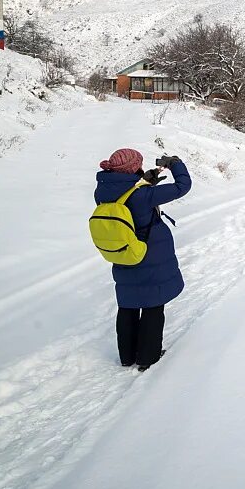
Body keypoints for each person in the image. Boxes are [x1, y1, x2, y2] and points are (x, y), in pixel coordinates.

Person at [95, 148, 191, 371]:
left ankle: (127, 357)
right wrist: (175, 164)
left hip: (123, 253)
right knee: (152, 306)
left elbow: (126, 195)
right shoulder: (143, 196)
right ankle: (148, 357)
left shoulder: (102, 191)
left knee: (128, 305)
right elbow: (182, 186)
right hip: (150, 255)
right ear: (132, 168)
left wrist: (144, 181)